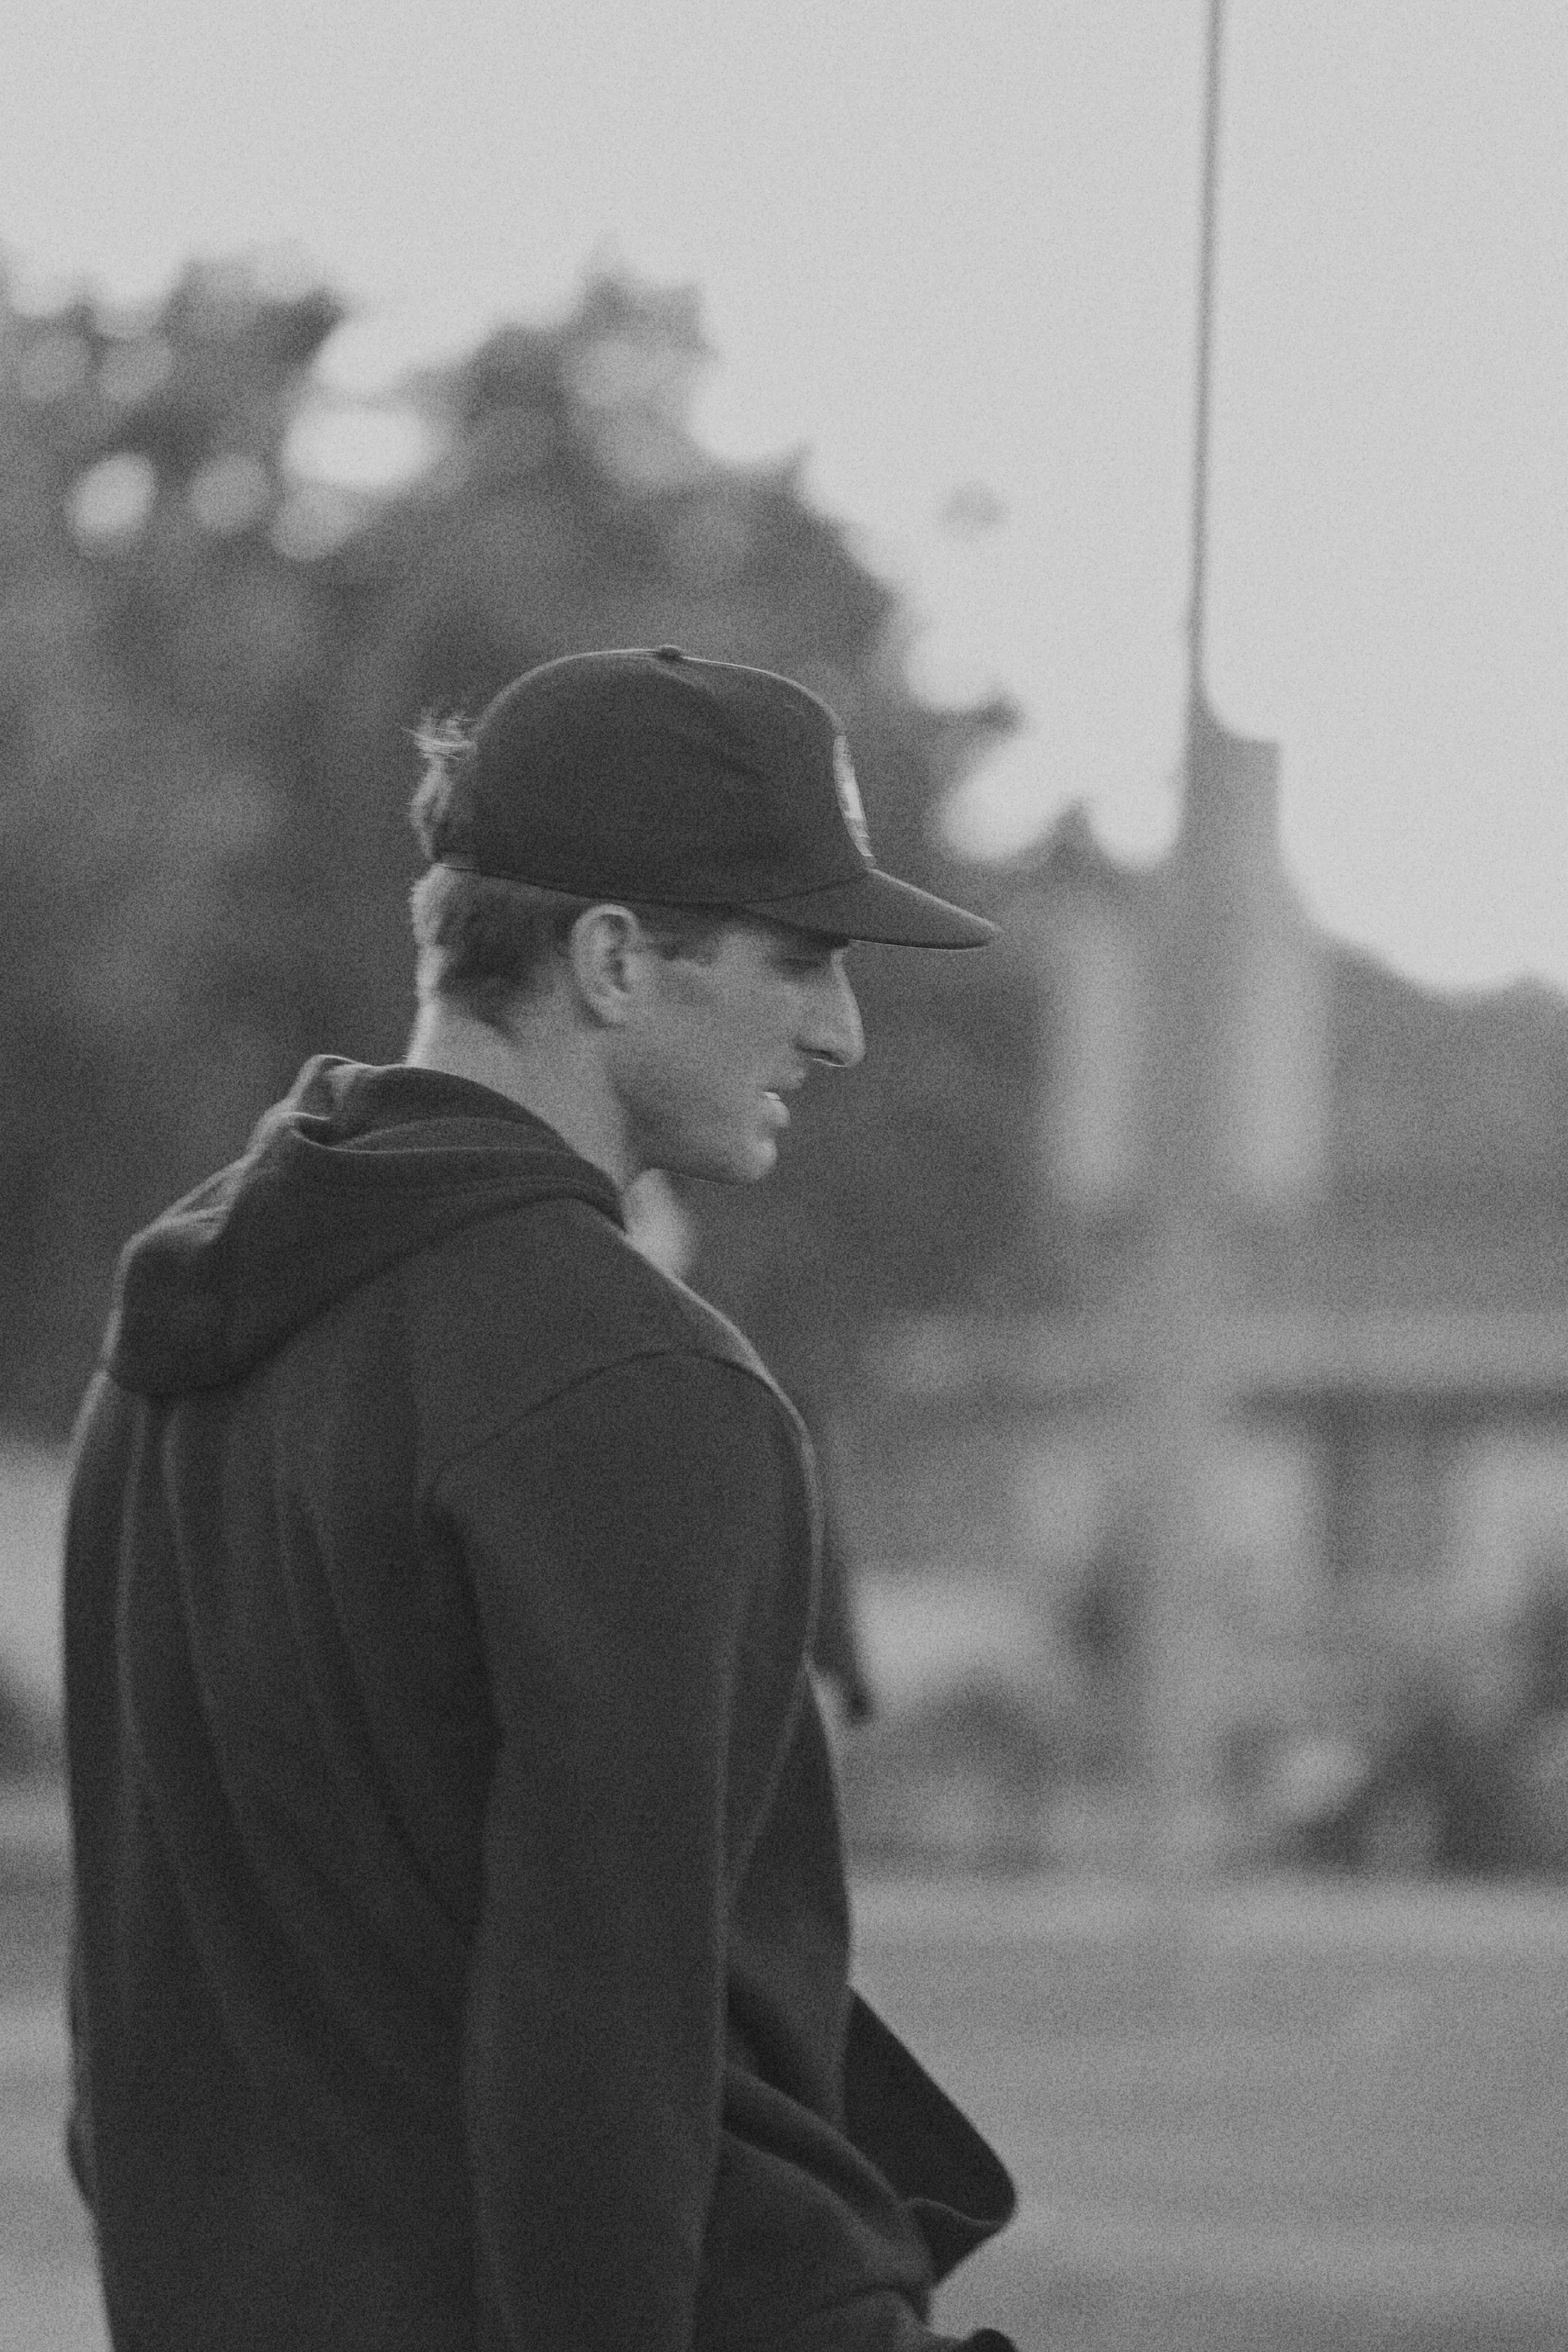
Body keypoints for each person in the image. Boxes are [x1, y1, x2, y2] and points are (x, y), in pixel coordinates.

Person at [63, 645, 1019, 2351]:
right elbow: (609, 2073)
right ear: (605, 957)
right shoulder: (642, 1392)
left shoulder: (164, 1352)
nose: (842, 1029)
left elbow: (129, 2020)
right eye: (799, 960)